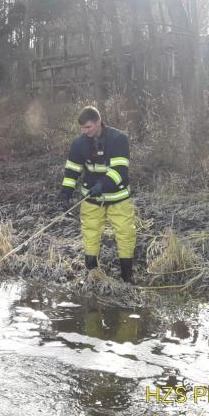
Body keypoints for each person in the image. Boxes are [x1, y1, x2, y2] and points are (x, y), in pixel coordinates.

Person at [58, 106, 136, 283]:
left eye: (88, 127)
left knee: (125, 234)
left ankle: (127, 276)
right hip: (91, 199)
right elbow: (72, 171)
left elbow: (120, 170)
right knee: (90, 234)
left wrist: (103, 185)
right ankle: (92, 273)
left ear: (99, 122)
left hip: (118, 197)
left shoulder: (118, 139)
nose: (85, 132)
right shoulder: (79, 144)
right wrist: (65, 194)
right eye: (82, 128)